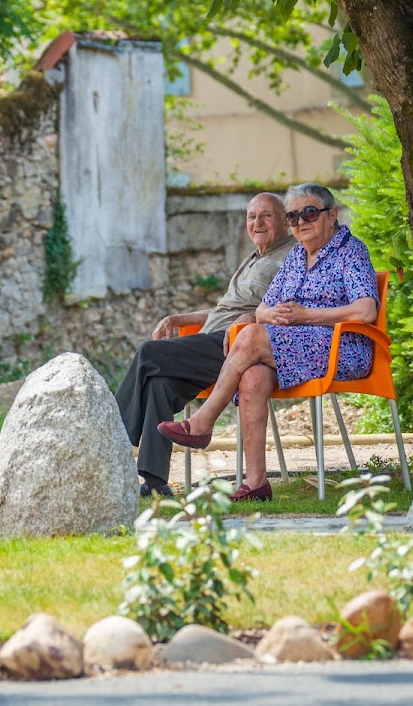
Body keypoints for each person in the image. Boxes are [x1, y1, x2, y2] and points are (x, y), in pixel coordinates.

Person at [158, 183, 378, 501]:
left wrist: (305, 315)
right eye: (293, 216)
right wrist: (268, 313)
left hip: (340, 347)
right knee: (253, 376)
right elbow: (262, 308)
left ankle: (204, 421)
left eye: (310, 213)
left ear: (332, 215)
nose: (301, 221)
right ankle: (256, 483)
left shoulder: (350, 252)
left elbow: (366, 310)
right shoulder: (295, 257)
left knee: (249, 336)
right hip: (293, 348)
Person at [117, 192, 296, 496]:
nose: (257, 223)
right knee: (160, 383)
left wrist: (250, 319)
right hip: (209, 342)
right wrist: (177, 318)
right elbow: (223, 309)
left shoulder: (292, 257)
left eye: (266, 215)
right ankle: (156, 481)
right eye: (251, 217)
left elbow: (282, 309)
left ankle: (111, 440)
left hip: (236, 346)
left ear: (284, 220)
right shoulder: (255, 257)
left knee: (149, 353)